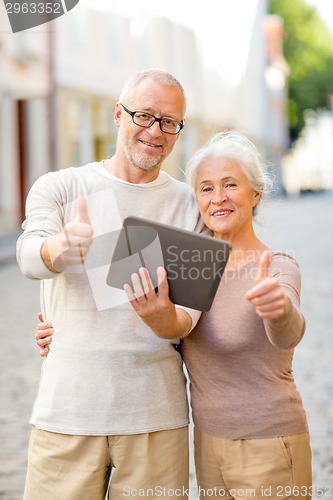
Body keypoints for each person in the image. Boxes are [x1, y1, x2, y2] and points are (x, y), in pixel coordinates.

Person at [34, 133, 313, 497]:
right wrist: (60, 327)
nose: (218, 198)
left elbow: (289, 331)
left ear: (255, 193)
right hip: (209, 445)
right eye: (206, 188)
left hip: (268, 440)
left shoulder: (275, 266)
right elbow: (145, 319)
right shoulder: (192, 264)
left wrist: (278, 310)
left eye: (231, 185)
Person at [16, 68, 204, 500]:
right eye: (144, 115)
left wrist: (165, 321)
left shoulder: (190, 206)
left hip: (155, 420)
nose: (156, 131)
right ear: (118, 115)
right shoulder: (62, 187)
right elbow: (30, 254)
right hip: (67, 413)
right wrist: (58, 250)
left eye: (169, 122)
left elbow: (189, 319)